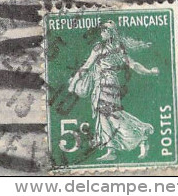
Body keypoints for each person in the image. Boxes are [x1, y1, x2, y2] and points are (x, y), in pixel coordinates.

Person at [67, 21, 159, 161]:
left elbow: (86, 66)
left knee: (110, 115)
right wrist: (149, 72)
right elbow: (134, 65)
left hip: (103, 84)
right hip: (112, 84)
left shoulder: (100, 47)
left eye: (103, 31)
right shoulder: (119, 49)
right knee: (107, 115)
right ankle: (112, 149)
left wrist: (73, 83)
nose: (101, 33)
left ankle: (140, 134)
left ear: (109, 32)